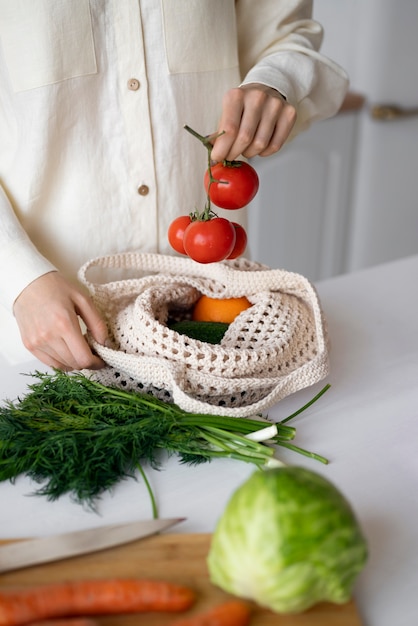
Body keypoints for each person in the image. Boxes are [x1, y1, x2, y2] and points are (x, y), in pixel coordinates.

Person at [0, 0, 348, 371]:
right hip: (46, 333)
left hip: (209, 330)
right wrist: (20, 276)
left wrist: (278, 79)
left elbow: (287, 37)